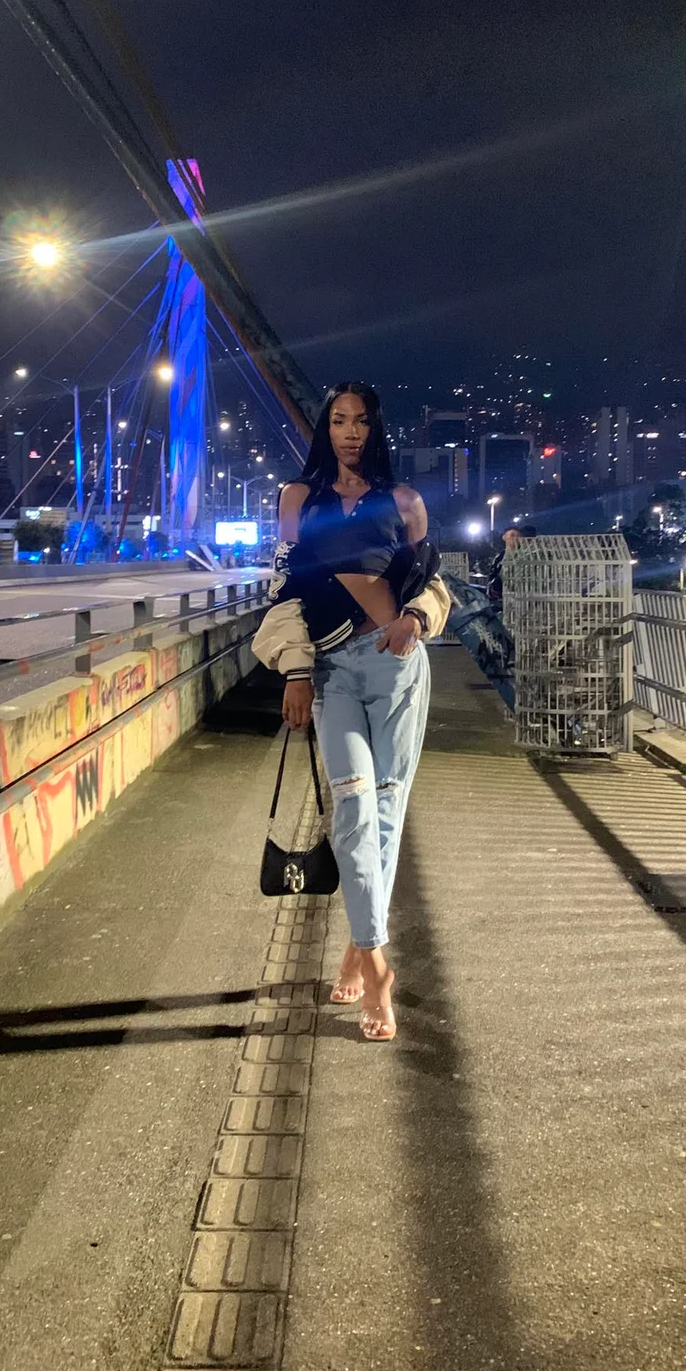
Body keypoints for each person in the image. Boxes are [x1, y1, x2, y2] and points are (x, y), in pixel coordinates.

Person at [253, 382, 450, 1042]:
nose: (351, 431)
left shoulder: (404, 501)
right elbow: (284, 587)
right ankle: (378, 967)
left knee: (385, 815)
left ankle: (355, 953)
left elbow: (430, 581)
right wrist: (296, 668)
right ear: (325, 427)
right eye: (339, 420)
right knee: (355, 808)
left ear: (375, 428)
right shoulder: (297, 498)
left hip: (397, 668)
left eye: (362, 421)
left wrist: (416, 616)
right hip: (332, 671)